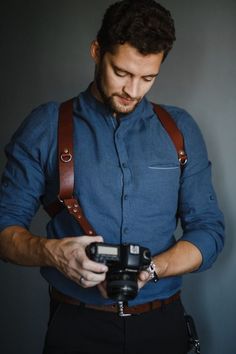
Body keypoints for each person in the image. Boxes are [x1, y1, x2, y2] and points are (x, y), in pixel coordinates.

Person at [0, 0, 224, 353]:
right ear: (96, 51)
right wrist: (52, 252)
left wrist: (152, 269)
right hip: (75, 325)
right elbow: (4, 228)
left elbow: (209, 231)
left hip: (162, 323)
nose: (132, 91)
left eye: (148, 78)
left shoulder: (179, 130)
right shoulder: (45, 126)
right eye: (121, 73)